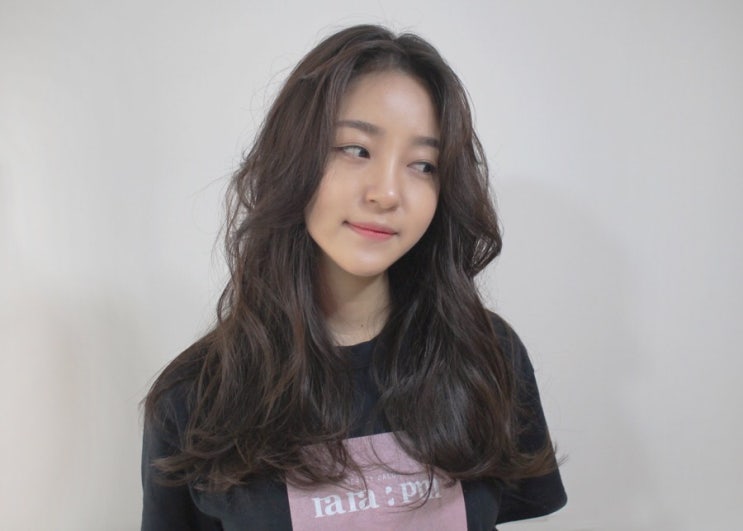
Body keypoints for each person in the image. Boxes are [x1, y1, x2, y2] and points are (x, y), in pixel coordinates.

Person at [141, 24, 567, 530]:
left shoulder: (487, 355)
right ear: (294, 157)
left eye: (423, 165)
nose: (387, 192)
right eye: (357, 150)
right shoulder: (196, 396)